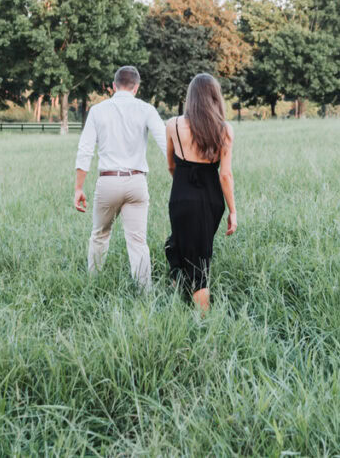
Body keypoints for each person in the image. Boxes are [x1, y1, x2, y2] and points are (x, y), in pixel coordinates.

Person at [74, 66, 167, 290]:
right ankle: (145, 291)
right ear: (136, 87)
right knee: (138, 241)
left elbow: (85, 150)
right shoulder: (146, 109)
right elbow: (166, 144)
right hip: (136, 181)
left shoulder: (97, 111)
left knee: (99, 235)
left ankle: (93, 284)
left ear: (113, 86)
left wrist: (78, 188)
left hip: (107, 181)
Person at [164, 73, 237, 313]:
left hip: (180, 197)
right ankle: (200, 317)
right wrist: (233, 211)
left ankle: (193, 314)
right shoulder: (224, 130)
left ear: (191, 97)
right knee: (198, 253)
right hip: (210, 200)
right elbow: (225, 175)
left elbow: (170, 165)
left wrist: (184, 189)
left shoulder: (173, 124)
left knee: (183, 247)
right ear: (215, 97)